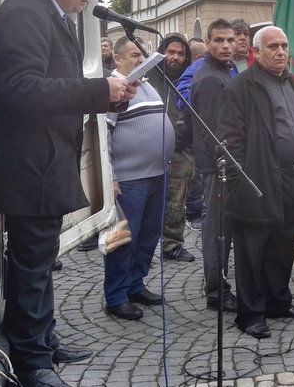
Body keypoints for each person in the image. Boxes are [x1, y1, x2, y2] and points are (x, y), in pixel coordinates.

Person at [0, 0, 136, 387]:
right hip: (26, 167)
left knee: (36, 262)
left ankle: (41, 339)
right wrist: (100, 92)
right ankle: (32, 363)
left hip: (39, 163)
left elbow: (52, 85)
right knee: (32, 264)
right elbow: (23, 90)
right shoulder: (22, 15)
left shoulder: (46, 14)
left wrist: (107, 95)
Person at [216, 27, 294, 339]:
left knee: (283, 244)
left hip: (293, 177)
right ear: (256, 52)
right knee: (252, 251)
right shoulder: (241, 87)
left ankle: (278, 302)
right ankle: (251, 315)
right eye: (273, 46)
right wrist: (241, 181)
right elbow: (229, 141)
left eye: (284, 46)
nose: (281, 52)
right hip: (257, 179)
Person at [102, 37, 174, 320]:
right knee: (120, 238)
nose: (141, 60)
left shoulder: (146, 86)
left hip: (158, 174)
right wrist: (112, 176)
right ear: (118, 60)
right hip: (129, 179)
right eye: (134, 55)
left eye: (143, 56)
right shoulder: (113, 91)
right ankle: (115, 296)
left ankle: (135, 284)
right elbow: (101, 137)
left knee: (148, 234)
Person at [191, 19, 239, 313]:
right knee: (217, 230)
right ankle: (216, 292)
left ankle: (217, 286)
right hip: (218, 168)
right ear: (207, 43)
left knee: (222, 227)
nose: (225, 45)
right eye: (219, 40)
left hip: (223, 165)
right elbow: (213, 132)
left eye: (230, 40)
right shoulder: (210, 78)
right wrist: (227, 166)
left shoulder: (223, 72)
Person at [145, 33, 197, 262]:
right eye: (170, 52)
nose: (174, 57)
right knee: (144, 201)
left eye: (180, 53)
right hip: (147, 149)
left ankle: (172, 244)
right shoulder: (148, 76)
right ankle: (137, 248)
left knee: (176, 201)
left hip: (180, 149)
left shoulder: (191, 78)